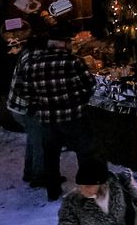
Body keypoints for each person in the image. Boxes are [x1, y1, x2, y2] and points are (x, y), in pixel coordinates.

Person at [8, 24, 95, 200]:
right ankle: (88, 188)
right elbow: (90, 84)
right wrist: (77, 98)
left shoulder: (34, 63)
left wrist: (39, 101)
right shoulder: (73, 61)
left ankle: (52, 191)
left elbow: (22, 89)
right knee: (84, 151)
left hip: (47, 119)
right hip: (73, 116)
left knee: (51, 154)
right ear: (64, 43)